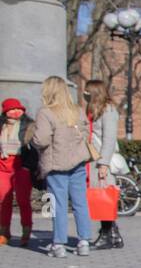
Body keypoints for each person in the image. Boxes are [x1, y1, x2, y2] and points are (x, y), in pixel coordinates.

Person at [26, 76, 95, 258]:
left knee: (58, 205)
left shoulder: (46, 112)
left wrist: (31, 140)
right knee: (80, 202)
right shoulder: (77, 110)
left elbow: (41, 139)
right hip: (78, 162)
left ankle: (59, 244)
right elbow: (86, 132)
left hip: (56, 163)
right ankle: (84, 241)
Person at [85, 79, 124, 250]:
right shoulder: (95, 110)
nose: (84, 94)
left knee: (104, 198)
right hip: (93, 159)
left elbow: (109, 139)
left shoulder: (108, 111)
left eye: (87, 91)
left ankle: (107, 235)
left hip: (101, 160)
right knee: (102, 197)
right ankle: (113, 235)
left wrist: (103, 163)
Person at [0, 97, 35, 247]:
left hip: (21, 165)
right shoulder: (1, 125)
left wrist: (28, 166)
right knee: (3, 201)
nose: (15, 112)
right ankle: (4, 232)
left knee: (23, 200)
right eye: (11, 109)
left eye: (18, 109)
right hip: (3, 166)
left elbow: (34, 149)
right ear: (5, 112)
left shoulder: (29, 125)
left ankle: (26, 231)